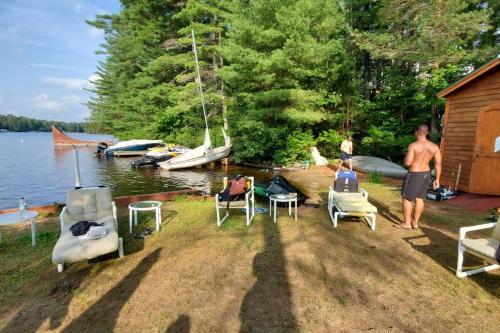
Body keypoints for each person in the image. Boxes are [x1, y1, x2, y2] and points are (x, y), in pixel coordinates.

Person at [397, 124, 441, 230]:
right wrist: (437, 179)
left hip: (415, 174)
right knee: (419, 199)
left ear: (417, 132)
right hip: (426, 174)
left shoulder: (413, 145)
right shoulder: (434, 147)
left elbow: (408, 162)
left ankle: (407, 223)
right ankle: (415, 223)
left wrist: (405, 157)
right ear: (427, 133)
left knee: (407, 198)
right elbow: (438, 164)